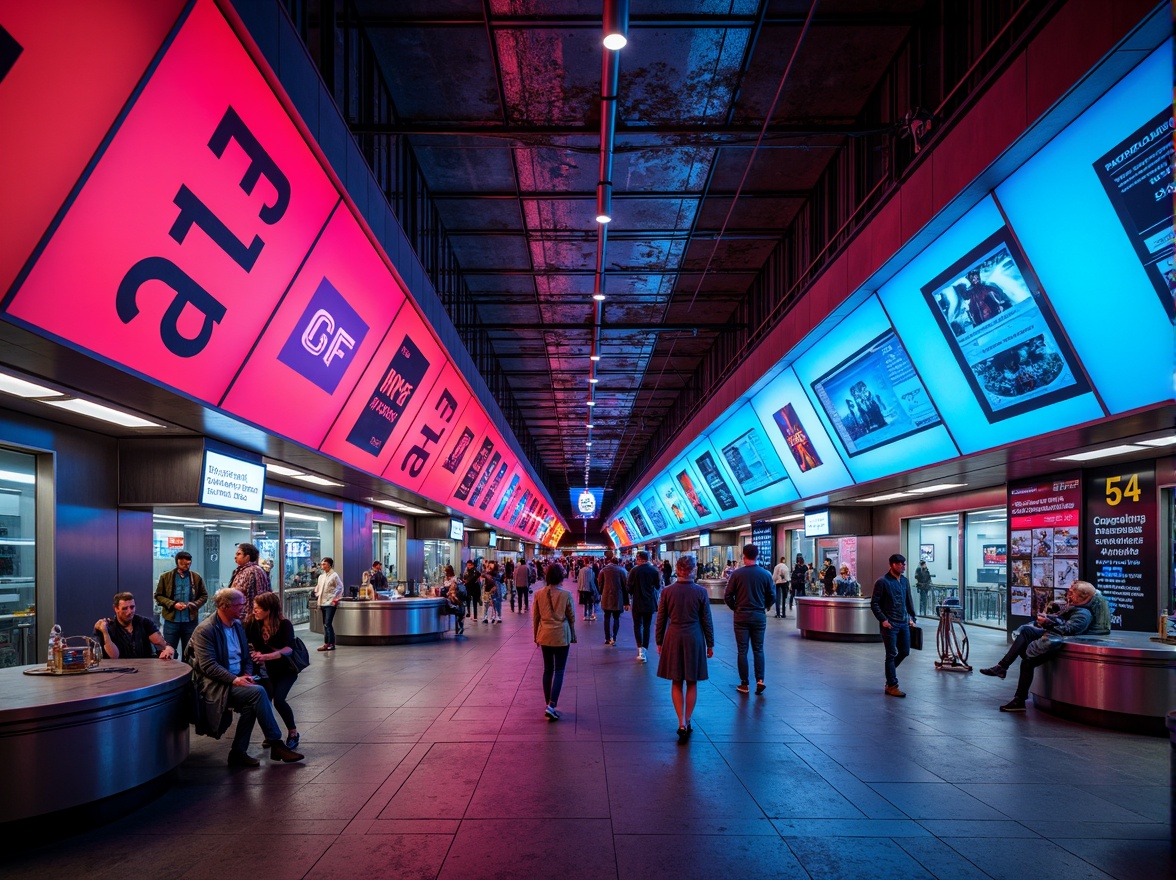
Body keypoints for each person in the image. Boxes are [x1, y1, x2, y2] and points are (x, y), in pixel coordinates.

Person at [188, 588, 304, 765]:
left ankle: (238, 752)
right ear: (225, 606)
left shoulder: (237, 626)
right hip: (217, 685)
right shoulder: (206, 630)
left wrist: (247, 674)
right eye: (240, 604)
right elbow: (208, 666)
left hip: (239, 679)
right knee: (258, 692)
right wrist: (235, 679)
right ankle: (276, 743)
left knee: (253, 702)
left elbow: (246, 656)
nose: (245, 608)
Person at [980, 580, 1109, 712]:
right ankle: (1002, 666)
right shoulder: (1076, 608)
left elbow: (1070, 629)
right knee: (1026, 631)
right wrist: (1050, 619)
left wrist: (1048, 622)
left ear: (1081, 596)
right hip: (1055, 636)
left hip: (1059, 641)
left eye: (1072, 593)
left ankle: (1019, 698)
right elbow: (1064, 622)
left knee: (1027, 663)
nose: (1068, 595)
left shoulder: (1083, 613)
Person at [656, 554, 715, 742]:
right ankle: (688, 720)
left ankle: (680, 722)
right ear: (692, 570)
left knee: (676, 681)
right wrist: (710, 643)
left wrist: (659, 641)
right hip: (694, 637)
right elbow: (706, 620)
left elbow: (661, 619)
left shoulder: (667, 591)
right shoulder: (700, 592)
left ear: (677, 569)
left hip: (673, 636)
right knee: (692, 681)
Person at [245, 591, 300, 750]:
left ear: (268, 609)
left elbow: (288, 649)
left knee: (279, 699)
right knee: (265, 701)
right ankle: (272, 735)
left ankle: (293, 733)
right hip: (264, 672)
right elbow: (245, 641)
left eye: (258, 608)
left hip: (285, 670)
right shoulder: (252, 623)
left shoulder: (284, 624)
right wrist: (252, 653)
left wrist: (266, 656)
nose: (254, 611)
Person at [724, 544, 774, 695]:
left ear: (743, 555)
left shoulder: (737, 575)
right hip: (759, 616)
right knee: (758, 649)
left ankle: (744, 684)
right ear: (757, 555)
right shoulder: (765, 574)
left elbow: (727, 595)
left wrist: (736, 608)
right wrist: (764, 607)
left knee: (742, 650)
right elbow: (772, 596)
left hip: (741, 616)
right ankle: (760, 680)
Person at [532, 562, 576, 721]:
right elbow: (572, 617)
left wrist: (536, 636)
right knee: (559, 670)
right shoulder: (566, 595)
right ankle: (552, 704)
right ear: (560, 577)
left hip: (544, 635)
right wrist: (572, 633)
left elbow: (536, 617)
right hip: (561, 635)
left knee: (547, 669)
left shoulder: (538, 594)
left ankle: (547, 703)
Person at [870, 554, 917, 698]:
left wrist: (912, 617)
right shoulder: (882, 582)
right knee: (891, 654)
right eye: (899, 564)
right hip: (889, 624)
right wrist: (883, 620)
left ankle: (890, 672)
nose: (903, 566)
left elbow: (908, 600)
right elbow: (874, 603)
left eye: (904, 563)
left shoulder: (904, 581)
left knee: (905, 651)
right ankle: (892, 684)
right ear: (892, 565)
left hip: (903, 622)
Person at [155, 550, 207, 656]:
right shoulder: (165, 577)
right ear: (177, 562)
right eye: (182, 564)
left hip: (190, 621)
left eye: (188, 564)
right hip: (171, 621)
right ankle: (170, 672)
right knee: (169, 651)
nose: (186, 566)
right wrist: (173, 604)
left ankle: (188, 671)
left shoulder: (196, 577)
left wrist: (195, 604)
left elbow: (204, 595)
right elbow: (158, 596)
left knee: (189, 652)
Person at [94, 592, 175, 660]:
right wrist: (105, 632)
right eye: (125, 608)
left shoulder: (144, 623)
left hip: (144, 671)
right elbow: (114, 656)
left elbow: (162, 643)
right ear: (116, 608)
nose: (129, 612)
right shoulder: (109, 627)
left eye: (132, 607)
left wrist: (168, 649)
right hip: (118, 673)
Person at [626, 550, 662, 662]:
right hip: (649, 603)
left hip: (637, 602)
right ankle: (645, 649)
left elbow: (629, 588)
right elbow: (657, 586)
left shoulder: (634, 571)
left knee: (637, 625)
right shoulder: (654, 571)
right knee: (647, 626)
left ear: (639, 558)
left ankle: (640, 649)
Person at [229, 542, 271, 620]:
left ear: (247, 557)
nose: (235, 557)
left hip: (248, 617)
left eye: (239, 554)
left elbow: (255, 595)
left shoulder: (252, 571)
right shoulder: (246, 570)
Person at [598, 553, 628, 646]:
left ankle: (607, 638)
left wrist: (601, 592)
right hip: (618, 598)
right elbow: (625, 587)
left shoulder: (603, 570)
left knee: (606, 618)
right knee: (616, 618)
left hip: (606, 597)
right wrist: (626, 602)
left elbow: (600, 584)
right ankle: (614, 638)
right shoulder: (622, 571)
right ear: (618, 563)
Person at [314, 557, 343, 651]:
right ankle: (326, 643)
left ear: (329, 565)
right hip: (322, 602)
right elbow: (319, 587)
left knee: (328, 623)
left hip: (330, 603)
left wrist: (334, 598)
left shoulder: (334, 575)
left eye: (324, 564)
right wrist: (316, 593)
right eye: (322, 564)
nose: (322, 566)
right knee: (325, 624)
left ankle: (331, 643)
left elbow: (340, 586)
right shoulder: (321, 577)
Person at [443, 565, 465, 636]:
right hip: (449, 596)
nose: (445, 572)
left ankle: (460, 626)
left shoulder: (454, 579)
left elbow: (452, 589)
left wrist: (447, 593)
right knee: (457, 613)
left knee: (458, 612)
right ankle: (459, 626)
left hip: (454, 596)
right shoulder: (446, 578)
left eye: (446, 571)